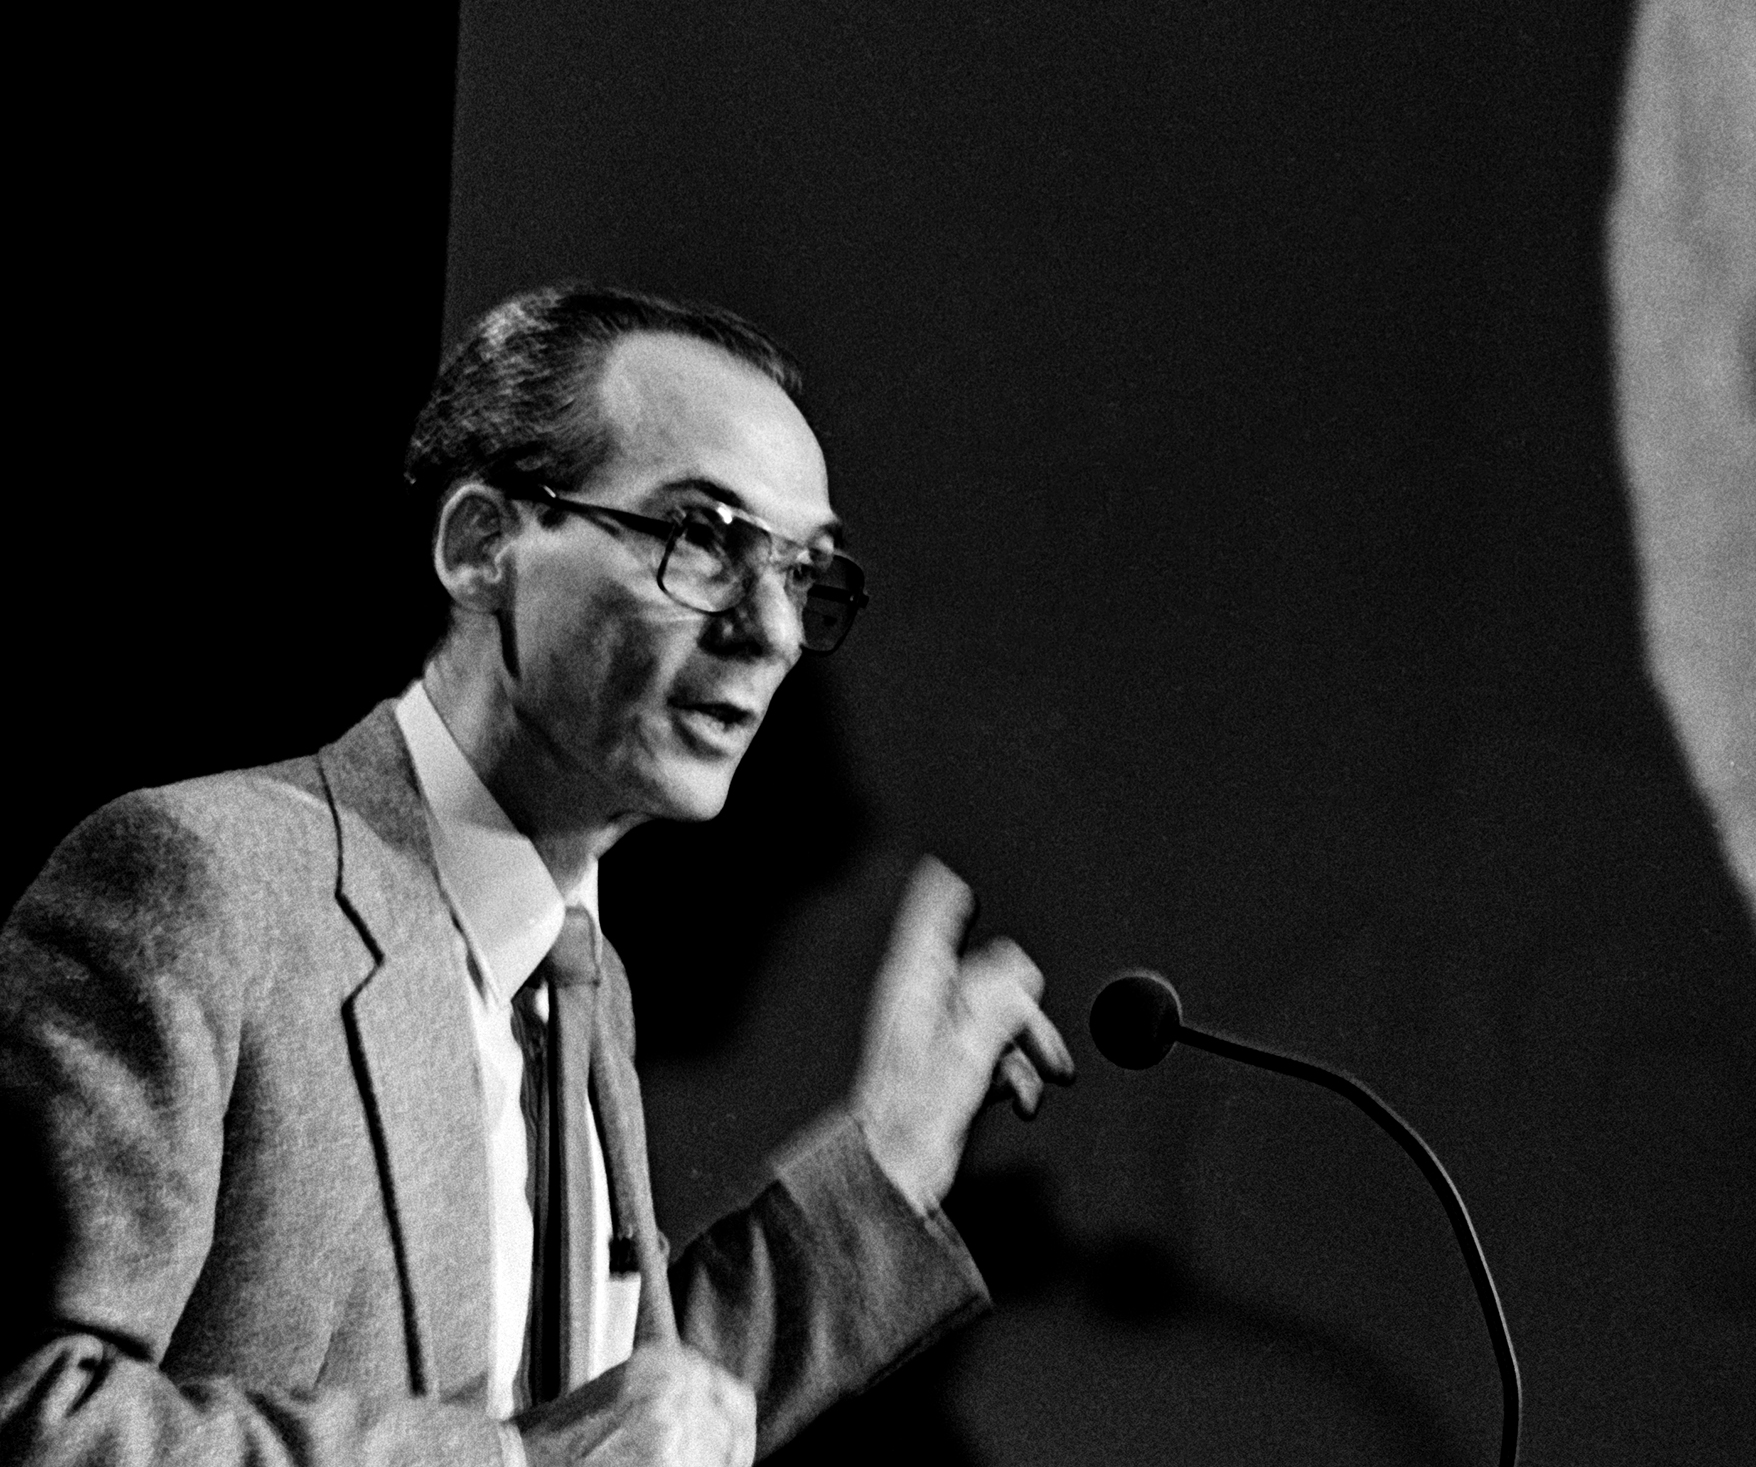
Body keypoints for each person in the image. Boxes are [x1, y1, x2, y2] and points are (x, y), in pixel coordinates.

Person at [0, 284, 1076, 1466]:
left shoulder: (581, 978)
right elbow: (34, 1414)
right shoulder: (208, 883)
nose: (771, 631)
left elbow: (620, 1421)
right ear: (482, 549)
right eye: (705, 538)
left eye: (804, 573)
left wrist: (888, 1166)